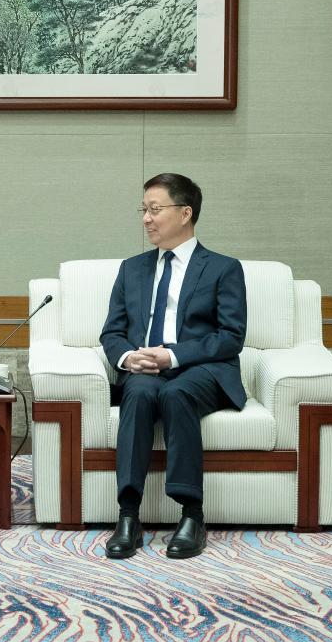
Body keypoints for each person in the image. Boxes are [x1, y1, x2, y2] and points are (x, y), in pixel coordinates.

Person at [100, 173, 246, 559]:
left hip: (201, 369)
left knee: (177, 392)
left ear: (185, 213)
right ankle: (128, 516)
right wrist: (129, 357)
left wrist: (173, 355)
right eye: (143, 210)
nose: (146, 218)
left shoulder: (223, 268)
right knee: (138, 393)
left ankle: (192, 515)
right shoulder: (132, 269)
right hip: (146, 369)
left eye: (155, 209)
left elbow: (231, 336)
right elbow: (112, 332)